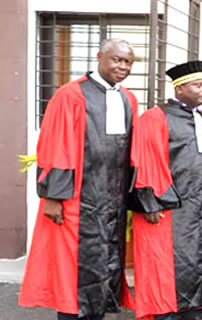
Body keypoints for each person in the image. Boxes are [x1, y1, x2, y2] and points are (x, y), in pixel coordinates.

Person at [18, 39, 137, 320]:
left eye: (127, 62)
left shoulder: (127, 98)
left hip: (113, 200)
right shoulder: (71, 95)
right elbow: (54, 145)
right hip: (77, 198)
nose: (122, 66)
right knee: (73, 270)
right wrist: (53, 196)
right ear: (99, 57)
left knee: (106, 263)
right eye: (116, 59)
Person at [130, 60, 202, 320]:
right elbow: (145, 160)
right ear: (178, 89)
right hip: (172, 208)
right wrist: (151, 202)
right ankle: (165, 313)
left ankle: (194, 310)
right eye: (197, 85)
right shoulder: (155, 118)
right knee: (167, 263)